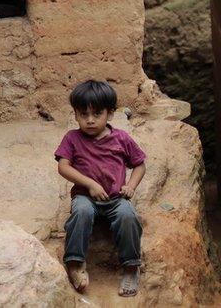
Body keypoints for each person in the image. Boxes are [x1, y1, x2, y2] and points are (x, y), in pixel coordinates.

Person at [55, 80, 146, 297]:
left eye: (97, 114)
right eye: (83, 114)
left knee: (128, 216)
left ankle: (131, 268)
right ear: (75, 114)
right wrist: (90, 184)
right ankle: (75, 264)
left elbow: (140, 165)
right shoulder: (72, 138)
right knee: (81, 212)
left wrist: (130, 186)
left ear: (110, 114)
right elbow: (63, 166)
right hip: (85, 196)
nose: (90, 120)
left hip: (116, 198)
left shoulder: (121, 139)